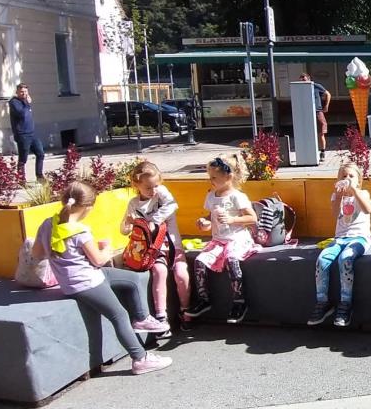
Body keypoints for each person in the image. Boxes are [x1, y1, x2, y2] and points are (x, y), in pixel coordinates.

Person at [31, 182, 172, 374]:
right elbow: (99, 261)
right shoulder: (80, 231)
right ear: (88, 207)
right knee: (119, 315)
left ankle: (141, 319)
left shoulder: (48, 223)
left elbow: (37, 253)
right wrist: (106, 250)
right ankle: (140, 358)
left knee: (132, 280)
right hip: (87, 283)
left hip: (78, 279)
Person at [183, 154, 257, 325]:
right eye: (210, 177)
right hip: (218, 240)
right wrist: (204, 223)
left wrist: (232, 220)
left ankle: (239, 301)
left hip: (237, 239)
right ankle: (204, 299)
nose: (210, 181)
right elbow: (210, 218)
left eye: (214, 177)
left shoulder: (237, 196)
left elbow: (252, 218)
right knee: (200, 261)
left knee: (232, 259)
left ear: (228, 177)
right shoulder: (211, 196)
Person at [122, 161, 191, 331]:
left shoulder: (161, 194)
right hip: (153, 250)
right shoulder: (134, 203)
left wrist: (153, 221)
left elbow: (172, 205)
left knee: (181, 274)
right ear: (136, 185)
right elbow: (124, 230)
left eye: (155, 185)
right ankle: (161, 316)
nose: (153, 190)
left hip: (173, 245)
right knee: (159, 271)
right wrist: (130, 223)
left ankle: (186, 310)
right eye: (148, 188)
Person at [309, 162, 371, 328]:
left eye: (351, 176)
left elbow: (368, 209)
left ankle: (346, 303)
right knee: (322, 260)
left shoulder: (363, 193)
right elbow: (335, 213)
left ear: (359, 180)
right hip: (340, 238)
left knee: (345, 259)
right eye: (343, 176)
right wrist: (338, 197)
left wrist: (355, 191)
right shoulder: (336, 196)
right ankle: (323, 302)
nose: (347, 178)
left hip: (359, 238)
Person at [8, 84, 44, 181]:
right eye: (21, 92)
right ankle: (21, 180)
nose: (24, 93)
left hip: (32, 133)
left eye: (25, 92)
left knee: (40, 153)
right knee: (23, 159)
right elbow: (22, 114)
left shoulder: (25, 102)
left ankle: (39, 176)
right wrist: (26, 102)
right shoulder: (14, 102)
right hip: (22, 134)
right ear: (17, 92)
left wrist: (26, 102)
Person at [298, 73, 331, 158]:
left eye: (304, 80)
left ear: (309, 79)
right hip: (306, 113)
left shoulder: (316, 86)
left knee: (321, 132)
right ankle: (309, 152)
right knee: (308, 133)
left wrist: (326, 106)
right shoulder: (300, 89)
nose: (303, 82)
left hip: (317, 111)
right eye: (301, 81)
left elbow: (328, 94)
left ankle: (322, 152)